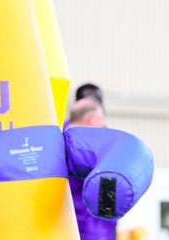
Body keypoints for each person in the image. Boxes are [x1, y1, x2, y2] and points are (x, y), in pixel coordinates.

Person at [67, 96, 117, 240]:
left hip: (64, 225)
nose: (103, 126)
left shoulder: (59, 140)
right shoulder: (90, 147)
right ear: (91, 120)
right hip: (92, 228)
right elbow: (106, 193)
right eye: (101, 121)